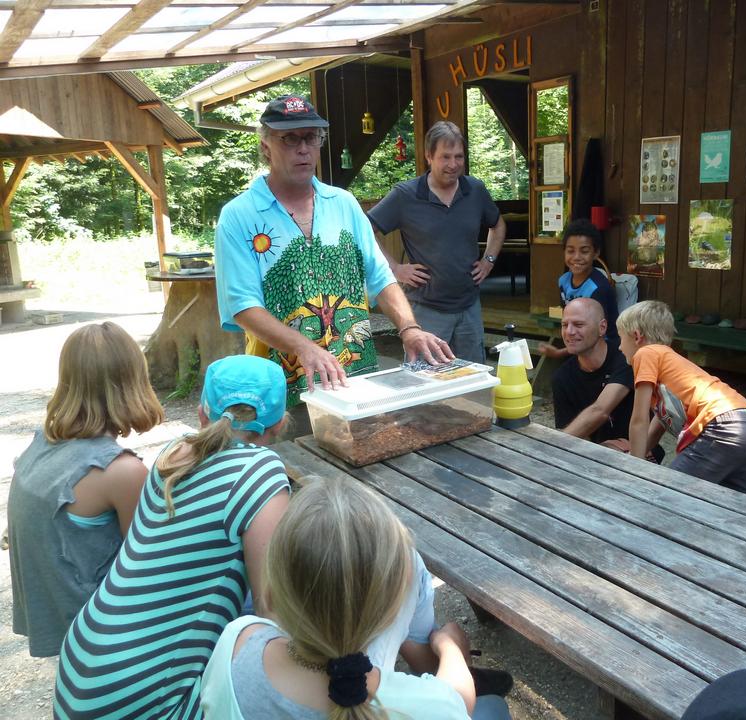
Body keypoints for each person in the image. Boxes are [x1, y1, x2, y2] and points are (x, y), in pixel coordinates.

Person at [55, 355, 292, 719]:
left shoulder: (175, 451)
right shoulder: (262, 472)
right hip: (143, 692)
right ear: (280, 423)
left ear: (201, 413)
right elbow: (271, 609)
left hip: (82, 660)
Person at [214, 95, 452, 423]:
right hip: (280, 391)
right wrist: (304, 347)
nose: (303, 149)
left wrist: (409, 329)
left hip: (356, 383)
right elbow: (243, 306)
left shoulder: (344, 203)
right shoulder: (238, 215)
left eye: (311, 137)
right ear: (266, 146)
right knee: (296, 456)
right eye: (289, 138)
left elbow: (380, 275)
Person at [200, 477, 512, 720]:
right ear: (394, 615)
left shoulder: (237, 640)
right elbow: (457, 700)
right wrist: (450, 647)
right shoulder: (425, 706)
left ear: (270, 595)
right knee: (494, 708)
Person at [7, 321, 164, 658]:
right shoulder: (121, 471)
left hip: (60, 626)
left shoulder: (40, 445)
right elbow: (148, 570)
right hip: (104, 639)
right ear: (134, 381)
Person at [367, 120, 506, 364]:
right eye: (445, 157)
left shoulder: (475, 190)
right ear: (429, 156)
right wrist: (395, 268)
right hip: (426, 311)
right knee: (425, 379)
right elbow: (366, 229)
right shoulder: (406, 195)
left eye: (459, 156)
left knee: (474, 378)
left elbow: (498, 225)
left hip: (469, 307)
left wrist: (489, 260)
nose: (453, 164)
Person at [617, 300, 746, 495]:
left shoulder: (645, 353)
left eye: (621, 338)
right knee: (732, 501)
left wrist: (634, 468)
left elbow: (639, 419)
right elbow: (659, 422)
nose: (619, 347)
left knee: (669, 494)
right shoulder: (669, 362)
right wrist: (639, 451)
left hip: (721, 425)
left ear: (636, 336)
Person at [552, 298, 634, 449]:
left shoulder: (626, 357)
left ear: (602, 327)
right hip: (596, 451)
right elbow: (572, 433)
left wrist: (553, 447)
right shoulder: (562, 377)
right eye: (564, 325)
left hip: (641, 450)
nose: (569, 332)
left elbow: (600, 411)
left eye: (578, 324)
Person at [539, 219, 620, 362]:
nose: (576, 257)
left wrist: (560, 353)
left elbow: (597, 335)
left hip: (604, 353)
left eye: (584, 251)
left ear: (596, 253)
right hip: (580, 347)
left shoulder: (598, 288)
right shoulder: (563, 281)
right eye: (570, 251)